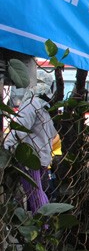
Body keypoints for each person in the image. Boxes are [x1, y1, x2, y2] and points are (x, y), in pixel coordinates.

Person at [4, 69, 57, 212]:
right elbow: (52, 135)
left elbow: (19, 130)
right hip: (43, 158)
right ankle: (45, 225)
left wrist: (5, 148)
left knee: (35, 195)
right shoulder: (46, 107)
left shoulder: (31, 104)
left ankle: (44, 227)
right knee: (38, 192)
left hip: (30, 158)